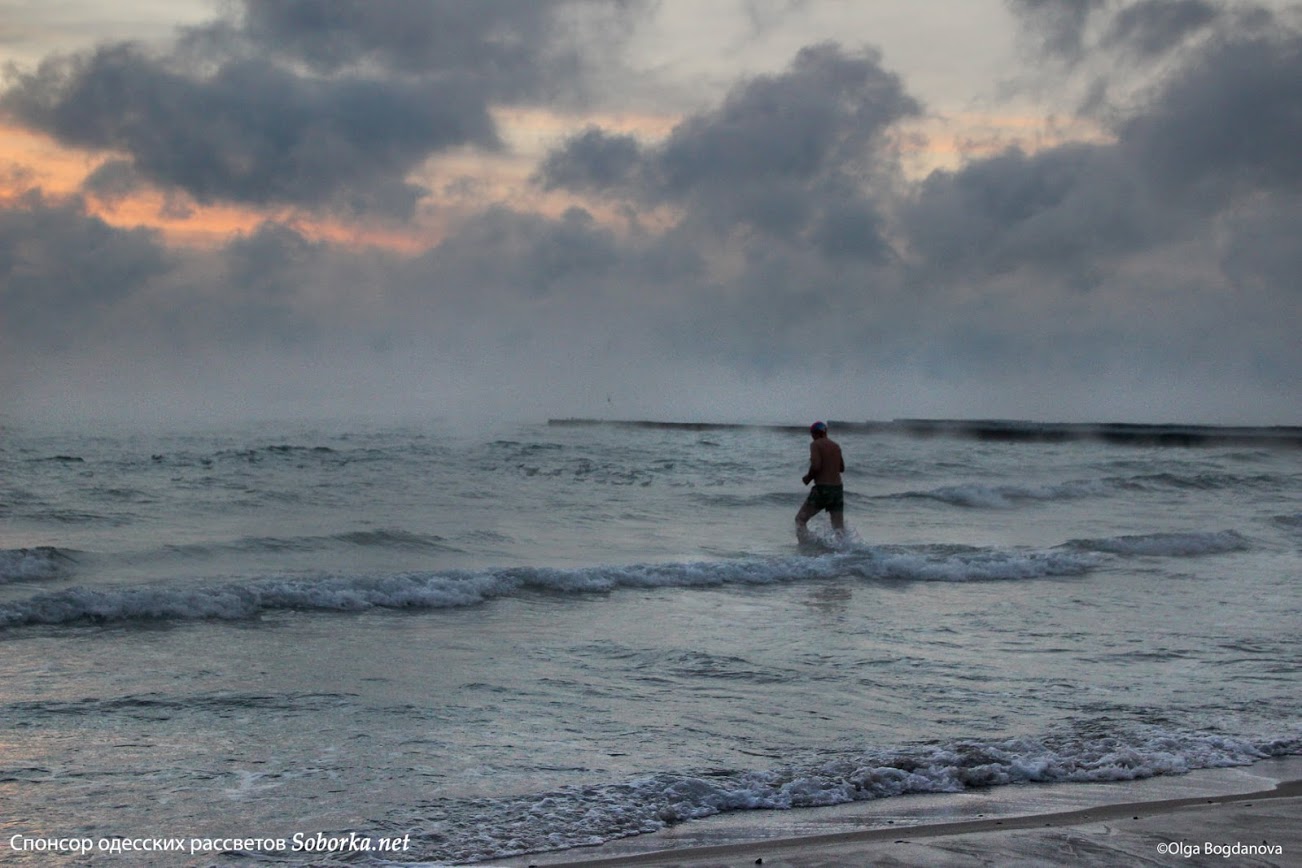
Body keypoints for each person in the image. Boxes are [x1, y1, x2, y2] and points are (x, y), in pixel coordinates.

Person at [796, 421, 845, 542]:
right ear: (825, 432)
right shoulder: (836, 445)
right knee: (838, 527)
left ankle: (805, 547)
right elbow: (842, 468)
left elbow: (816, 466)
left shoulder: (815, 444)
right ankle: (844, 550)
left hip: (823, 488)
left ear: (814, 433)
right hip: (837, 489)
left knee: (800, 520)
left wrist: (808, 478)